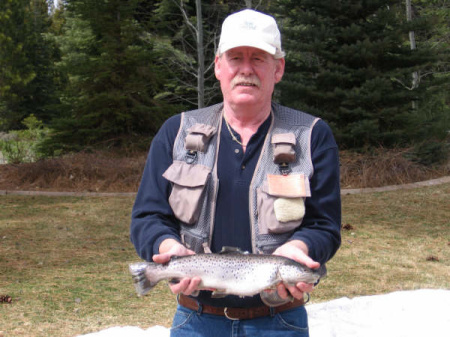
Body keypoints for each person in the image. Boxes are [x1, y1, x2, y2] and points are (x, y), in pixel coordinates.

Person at [130, 8, 341, 337]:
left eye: (258, 58)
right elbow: (146, 217)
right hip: (195, 320)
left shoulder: (312, 136)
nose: (246, 70)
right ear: (217, 66)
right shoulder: (176, 132)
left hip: (280, 323)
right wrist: (167, 246)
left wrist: (301, 249)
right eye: (235, 58)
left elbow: (324, 226)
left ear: (278, 68)